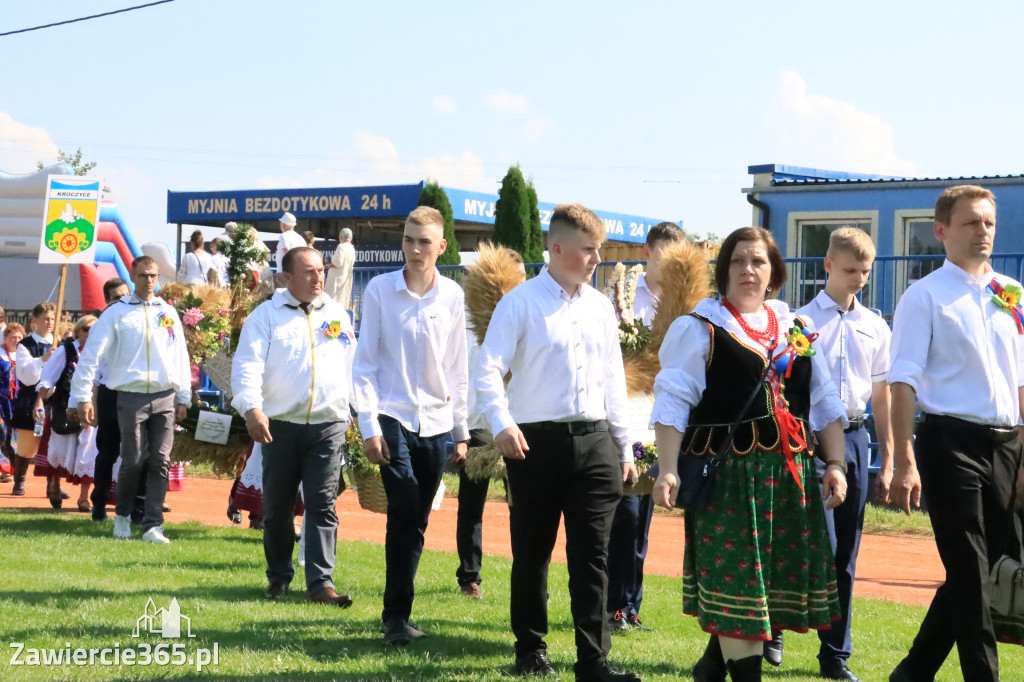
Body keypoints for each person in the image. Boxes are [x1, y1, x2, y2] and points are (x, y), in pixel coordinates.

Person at [651, 226, 848, 682]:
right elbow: (672, 401)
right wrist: (666, 469)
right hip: (730, 484)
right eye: (738, 261)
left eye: (758, 261)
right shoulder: (699, 329)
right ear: (723, 271)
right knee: (739, 589)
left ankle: (711, 666)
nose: (748, 270)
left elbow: (823, 402)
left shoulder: (796, 329)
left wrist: (835, 463)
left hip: (787, 480)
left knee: (763, 593)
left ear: (773, 272)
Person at [477, 203, 640, 682]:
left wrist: (625, 448)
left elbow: (614, 380)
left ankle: (593, 662)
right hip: (534, 445)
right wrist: (502, 423)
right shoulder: (520, 303)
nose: (596, 259)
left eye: (600, 249)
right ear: (557, 248)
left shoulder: (599, 308)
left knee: (592, 556)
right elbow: (486, 369)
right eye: (589, 250)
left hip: (595, 444)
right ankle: (530, 649)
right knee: (533, 552)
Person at [888, 185, 1024, 682]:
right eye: (971, 223)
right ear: (941, 231)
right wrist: (903, 460)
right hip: (950, 444)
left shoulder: (1011, 294)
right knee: (969, 572)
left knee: (985, 569)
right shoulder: (924, 296)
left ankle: (912, 672)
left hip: (1008, 445)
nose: (983, 231)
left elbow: (1021, 380)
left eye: (988, 222)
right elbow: (901, 381)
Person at [353, 206, 470, 645]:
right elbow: (364, 364)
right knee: (403, 507)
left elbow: (458, 368)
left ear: (441, 247)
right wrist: (369, 426)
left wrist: (460, 430)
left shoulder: (453, 296)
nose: (415, 249)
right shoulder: (381, 290)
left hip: (437, 423)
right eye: (408, 239)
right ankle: (395, 617)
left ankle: (399, 613)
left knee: (417, 520)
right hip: (392, 414)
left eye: (425, 241)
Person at [781, 227, 892, 681]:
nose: (859, 279)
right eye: (850, 270)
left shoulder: (875, 325)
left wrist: (889, 457)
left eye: (865, 272)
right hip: (805, 440)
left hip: (855, 436)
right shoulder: (799, 322)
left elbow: (882, 394)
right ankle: (774, 629)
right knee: (807, 541)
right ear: (827, 265)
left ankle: (835, 656)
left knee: (845, 549)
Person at [232, 246, 357, 606]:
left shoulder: (337, 314)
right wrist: (251, 408)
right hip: (279, 425)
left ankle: (321, 584)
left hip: (328, 425)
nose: (319, 277)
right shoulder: (266, 317)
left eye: (321, 270)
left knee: (322, 503)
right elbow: (247, 366)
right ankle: (278, 577)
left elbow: (352, 364)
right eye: (309, 272)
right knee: (278, 507)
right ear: (287, 278)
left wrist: (358, 411)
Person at [72, 256, 191, 544]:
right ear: (132, 277)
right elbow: (91, 356)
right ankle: (123, 515)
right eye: (143, 276)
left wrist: (184, 396)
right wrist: (82, 395)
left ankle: (153, 525)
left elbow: (180, 356)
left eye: (153, 275)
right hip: (130, 395)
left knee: (161, 460)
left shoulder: (168, 312)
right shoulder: (116, 313)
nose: (149, 280)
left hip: (165, 394)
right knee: (133, 459)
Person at [607, 222, 685, 634]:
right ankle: (613, 604)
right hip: (626, 416)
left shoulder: (683, 304)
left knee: (642, 520)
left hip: (661, 420)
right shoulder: (619, 297)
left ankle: (630, 606)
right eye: (664, 255)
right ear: (648, 251)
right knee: (623, 512)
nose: (670, 264)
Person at [455, 250, 526, 600]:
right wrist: (461, 431)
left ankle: (525, 572)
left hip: (521, 428)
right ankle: (469, 576)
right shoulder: (470, 329)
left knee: (524, 506)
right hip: (479, 427)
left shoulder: (529, 322)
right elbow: (464, 378)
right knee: (471, 505)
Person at [72, 277, 131, 521]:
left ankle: (135, 506)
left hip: (138, 392)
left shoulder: (139, 319)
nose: (123, 301)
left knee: (140, 452)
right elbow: (92, 367)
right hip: (110, 392)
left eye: (126, 295)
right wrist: (86, 400)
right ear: (107, 301)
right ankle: (99, 504)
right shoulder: (100, 325)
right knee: (107, 451)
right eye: (117, 297)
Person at [36, 315, 99, 513]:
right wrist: (39, 401)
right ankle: (54, 485)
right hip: (64, 407)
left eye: (95, 329)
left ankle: (83, 498)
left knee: (89, 454)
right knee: (59, 449)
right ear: (79, 330)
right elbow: (48, 378)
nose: (91, 333)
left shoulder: (102, 353)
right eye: (87, 329)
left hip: (92, 412)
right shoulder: (65, 351)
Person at [10, 303, 56, 498]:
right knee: (28, 446)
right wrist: (43, 359)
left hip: (55, 402)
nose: (49, 323)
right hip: (30, 400)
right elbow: (25, 376)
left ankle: (53, 486)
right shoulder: (25, 345)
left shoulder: (60, 343)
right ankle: (19, 482)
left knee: (54, 446)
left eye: (52, 319)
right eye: (45, 319)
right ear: (34, 322)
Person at [1, 323, 26, 483]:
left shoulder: (25, 355)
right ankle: (5, 470)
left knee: (15, 436)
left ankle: (13, 469)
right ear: (5, 338)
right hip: (1, 401)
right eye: (13, 337)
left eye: (19, 337)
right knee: (2, 433)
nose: (16, 340)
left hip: (19, 402)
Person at [325, 227, 356, 310]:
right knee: (343, 302)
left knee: (332, 303)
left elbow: (338, 263)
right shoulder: (352, 248)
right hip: (346, 278)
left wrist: (328, 265)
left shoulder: (341, 246)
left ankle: (333, 323)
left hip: (337, 279)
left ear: (341, 237)